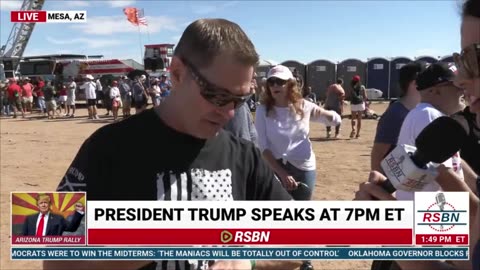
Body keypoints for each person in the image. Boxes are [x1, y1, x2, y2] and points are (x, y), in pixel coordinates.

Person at [48, 18, 304, 270]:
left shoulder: (245, 155)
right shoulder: (105, 146)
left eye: (238, 100)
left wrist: (247, 261)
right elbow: (50, 253)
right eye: (216, 96)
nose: (227, 113)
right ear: (178, 73)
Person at [357, 0, 480, 268]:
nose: (461, 83)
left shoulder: (439, 122)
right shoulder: (429, 116)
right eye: (462, 61)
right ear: (434, 91)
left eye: (475, 58)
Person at [254, 65, 340, 201]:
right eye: (271, 82)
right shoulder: (262, 110)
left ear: (290, 84)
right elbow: (263, 147)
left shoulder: (304, 106)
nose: (275, 85)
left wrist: (328, 114)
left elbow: (335, 120)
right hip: (275, 167)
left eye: (280, 81)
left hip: (304, 167)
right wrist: (282, 173)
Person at [395, 62, 465, 201]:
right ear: (435, 90)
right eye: (456, 85)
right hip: (428, 212)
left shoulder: (429, 114)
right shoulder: (428, 114)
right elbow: (444, 174)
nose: (462, 90)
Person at [370, 62, 424, 172]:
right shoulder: (396, 114)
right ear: (415, 84)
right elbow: (378, 154)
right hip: (394, 184)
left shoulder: (417, 111)